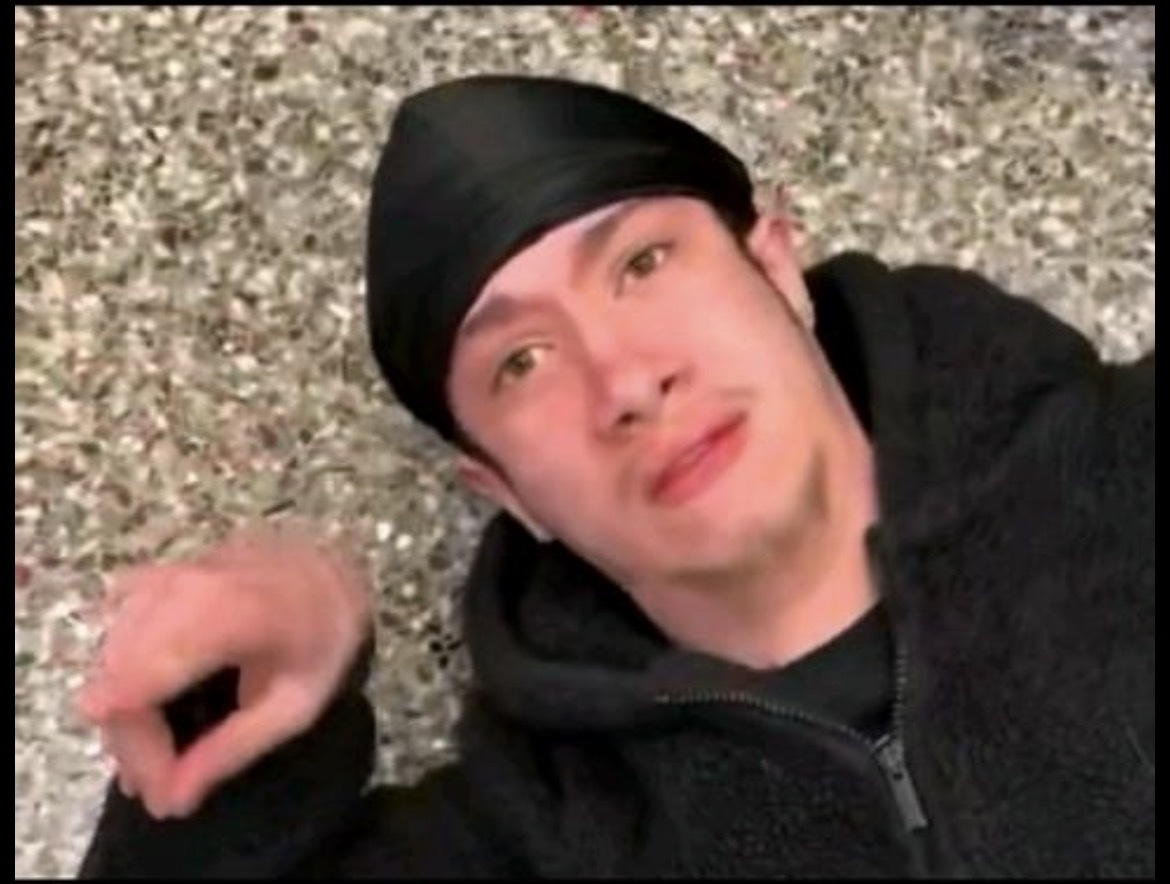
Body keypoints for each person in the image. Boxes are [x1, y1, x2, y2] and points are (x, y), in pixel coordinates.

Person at [75, 74, 1154, 878]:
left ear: (778, 267)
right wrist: (257, 688)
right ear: (506, 491)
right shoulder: (535, 843)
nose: (626, 381)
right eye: (521, 362)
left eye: (642, 262)